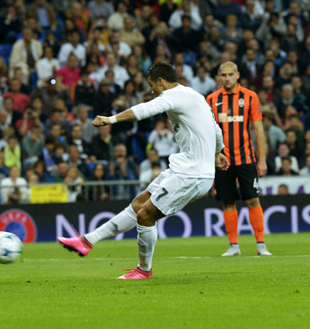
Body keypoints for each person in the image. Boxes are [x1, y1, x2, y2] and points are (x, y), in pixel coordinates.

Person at [58, 62, 228, 279]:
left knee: (146, 215)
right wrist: (217, 151)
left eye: (152, 85)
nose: (152, 91)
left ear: (161, 82)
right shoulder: (195, 96)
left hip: (192, 174)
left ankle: (143, 270)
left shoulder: (173, 95)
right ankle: (86, 241)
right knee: (139, 204)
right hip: (183, 168)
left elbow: (146, 109)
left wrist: (111, 119)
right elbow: (214, 128)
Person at [206, 61, 271, 257]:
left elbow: (258, 130)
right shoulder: (211, 99)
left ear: (237, 75)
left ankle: (261, 244)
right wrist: (214, 156)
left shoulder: (250, 97)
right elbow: (208, 131)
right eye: (223, 75)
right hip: (222, 161)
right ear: (219, 76)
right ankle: (234, 246)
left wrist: (262, 159)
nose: (226, 78)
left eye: (230, 75)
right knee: (228, 202)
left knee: (253, 199)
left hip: (246, 159)